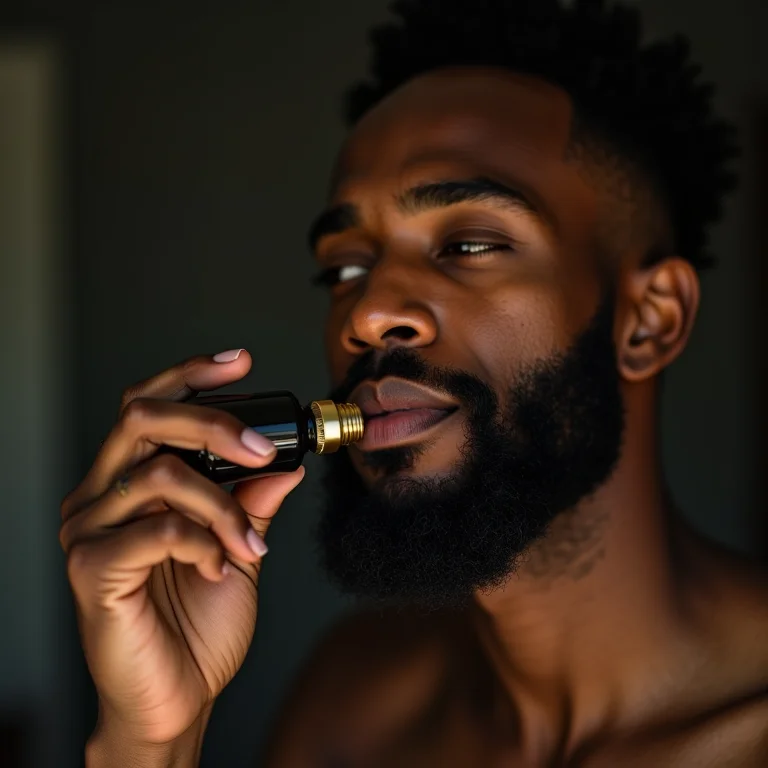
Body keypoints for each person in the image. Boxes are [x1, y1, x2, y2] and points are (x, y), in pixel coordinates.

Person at [61, 0, 768, 765]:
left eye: (467, 243)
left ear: (649, 321)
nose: (367, 314)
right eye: (346, 268)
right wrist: (150, 741)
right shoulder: (351, 707)